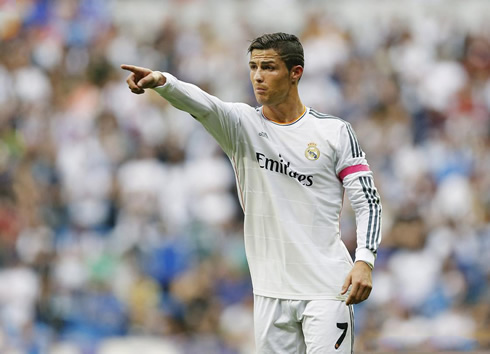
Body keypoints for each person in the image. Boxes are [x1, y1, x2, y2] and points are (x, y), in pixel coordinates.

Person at [121, 32, 381, 354]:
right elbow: (203, 105)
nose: (258, 76)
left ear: (295, 73)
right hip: (270, 292)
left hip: (327, 288)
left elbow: (367, 199)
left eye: (269, 67)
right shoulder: (241, 126)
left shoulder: (333, 132)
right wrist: (162, 81)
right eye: (253, 67)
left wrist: (364, 260)